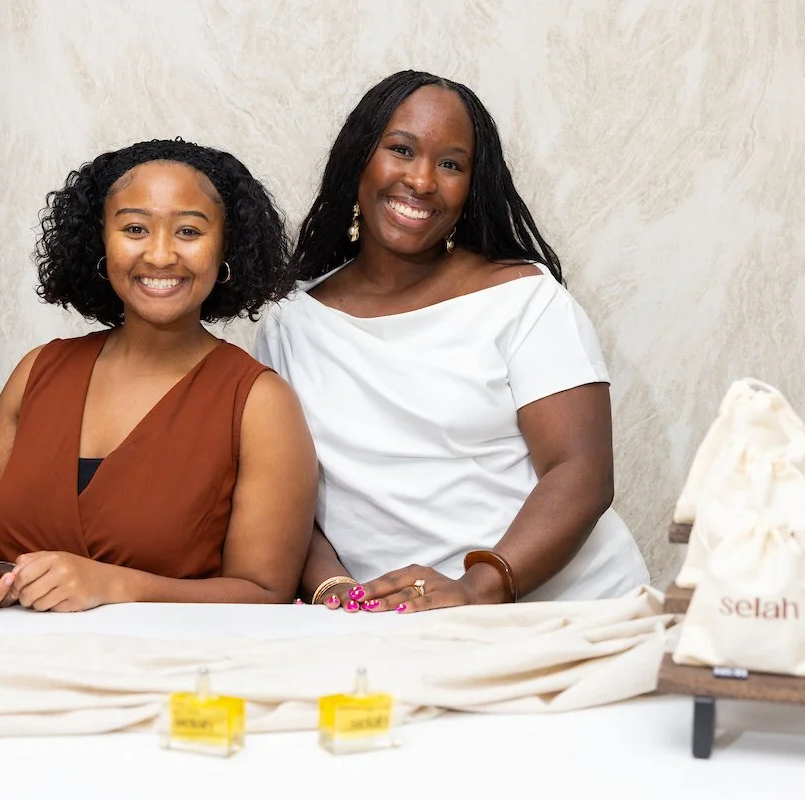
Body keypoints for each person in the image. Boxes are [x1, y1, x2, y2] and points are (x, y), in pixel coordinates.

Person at [256, 71, 649, 613]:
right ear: (357, 162)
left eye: (450, 164)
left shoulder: (524, 299)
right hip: (391, 626)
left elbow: (580, 474)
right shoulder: (289, 324)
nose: (421, 181)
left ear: (471, 187)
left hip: (564, 611)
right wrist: (335, 594)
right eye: (400, 150)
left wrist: (475, 589)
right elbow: (281, 497)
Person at [0, 138, 317, 611]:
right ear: (100, 242)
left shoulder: (258, 402)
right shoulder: (37, 371)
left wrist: (117, 586)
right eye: (134, 229)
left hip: (170, 676)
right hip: (15, 667)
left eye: (189, 231)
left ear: (225, 248)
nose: (161, 255)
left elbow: (265, 593)